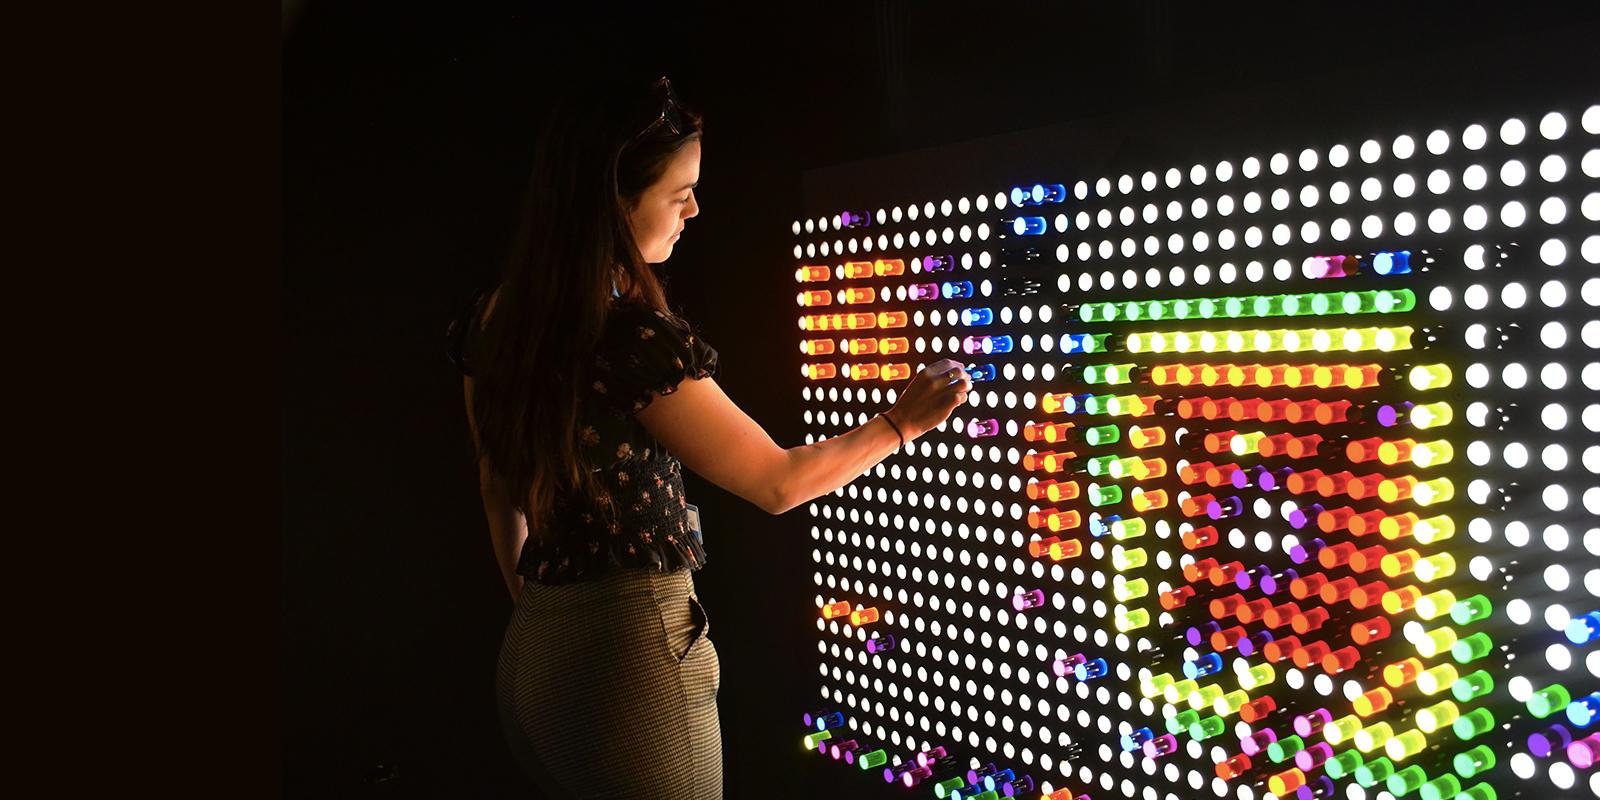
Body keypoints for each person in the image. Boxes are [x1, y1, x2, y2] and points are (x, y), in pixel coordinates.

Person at [445, 73, 971, 799]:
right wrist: (901, 422)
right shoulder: (625, 338)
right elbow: (777, 481)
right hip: (631, 660)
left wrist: (542, 613)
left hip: (533, 654)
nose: (695, 207)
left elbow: (496, 486)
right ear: (612, 203)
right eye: (676, 191)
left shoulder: (495, 318)